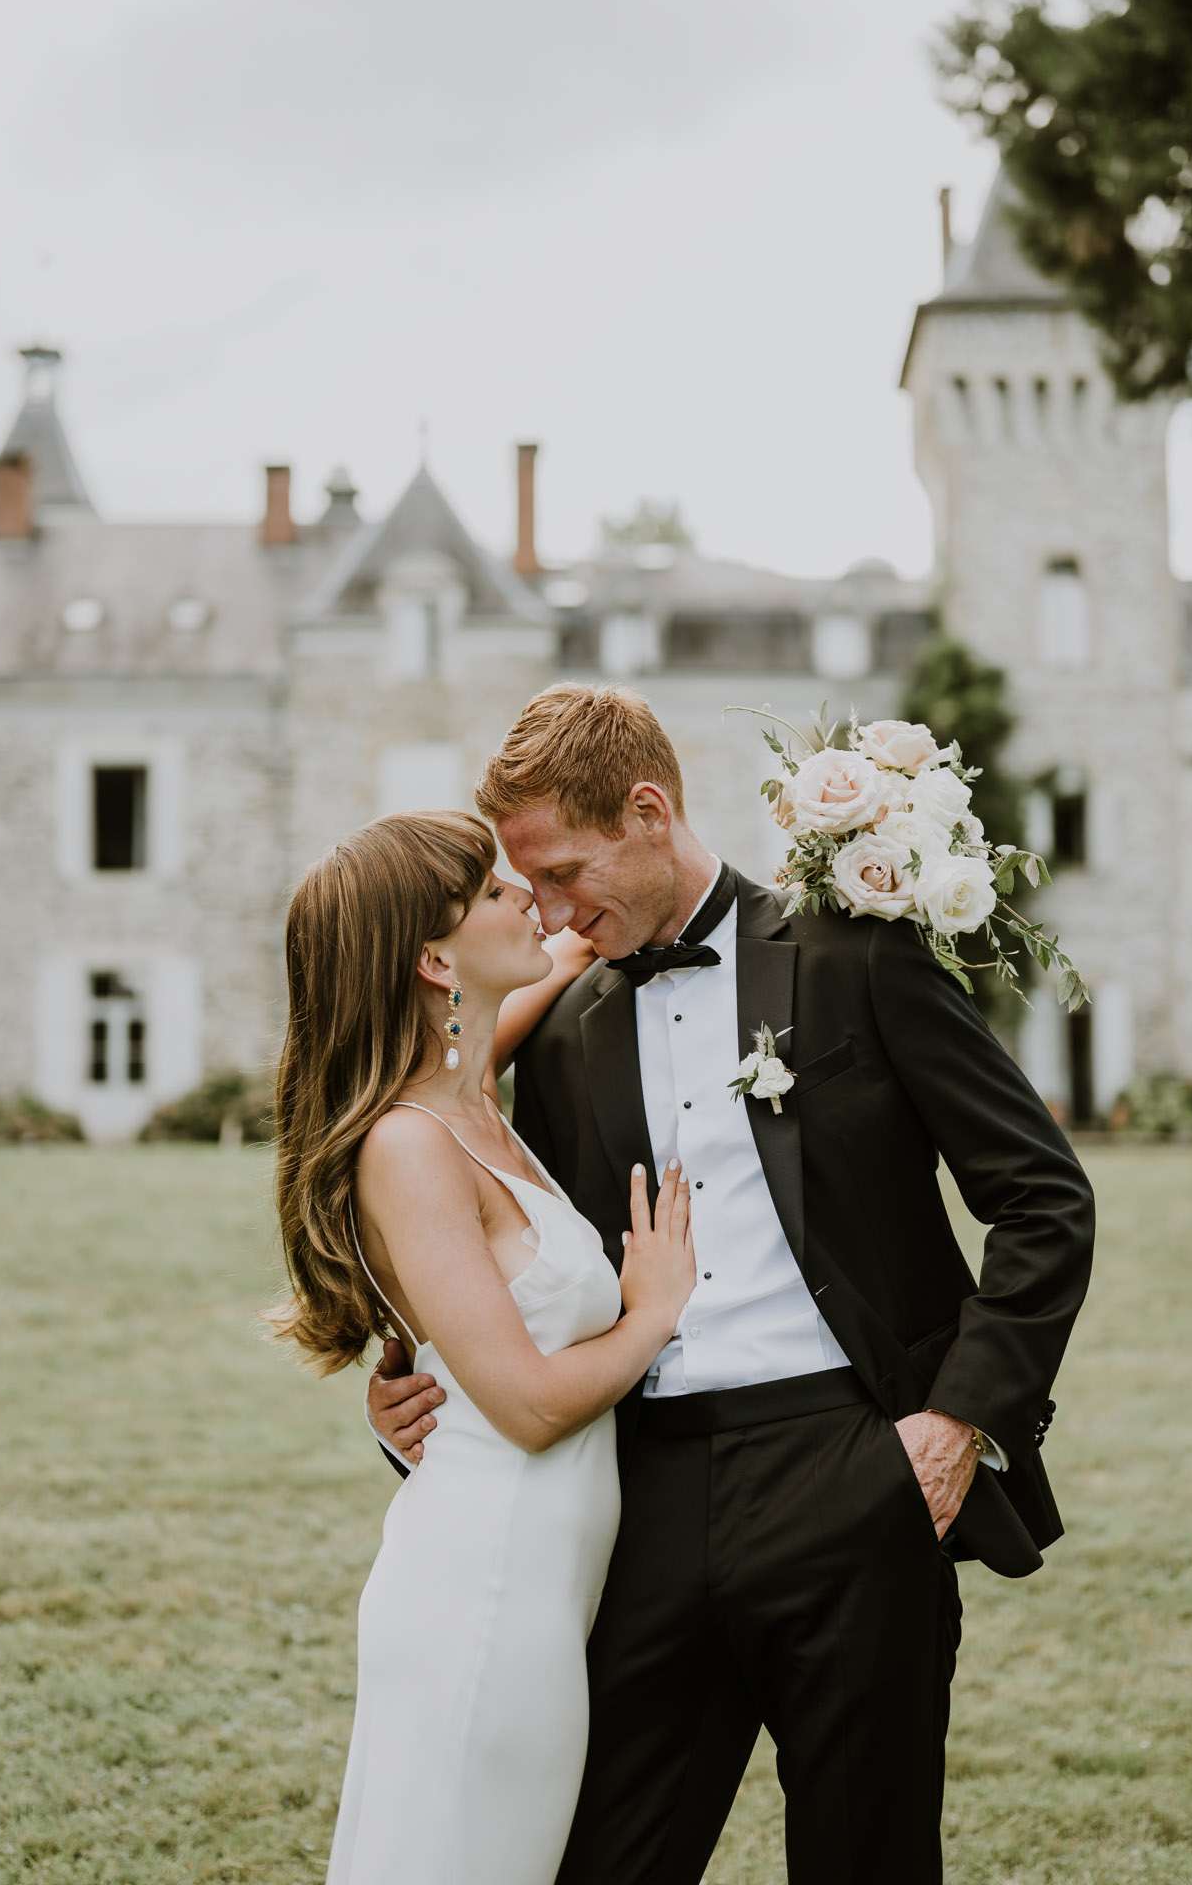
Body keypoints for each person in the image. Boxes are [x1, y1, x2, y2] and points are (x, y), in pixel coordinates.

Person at [369, 682, 1097, 1885]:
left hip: (854, 1470)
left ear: (648, 809)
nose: (546, 910)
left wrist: (957, 1419)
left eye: (560, 871)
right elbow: (504, 1250)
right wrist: (410, 1401)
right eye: (526, 883)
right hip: (638, 1488)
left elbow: (1040, 1196)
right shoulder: (560, 1030)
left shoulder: (859, 953)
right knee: (603, 1855)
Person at [266, 809, 695, 1885]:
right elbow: (529, 1402)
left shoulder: (471, 1098)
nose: (529, 901)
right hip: (482, 1594)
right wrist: (651, 1309)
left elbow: (565, 950)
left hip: (539, 1589)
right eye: (499, 891)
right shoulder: (410, 1145)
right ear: (429, 954)